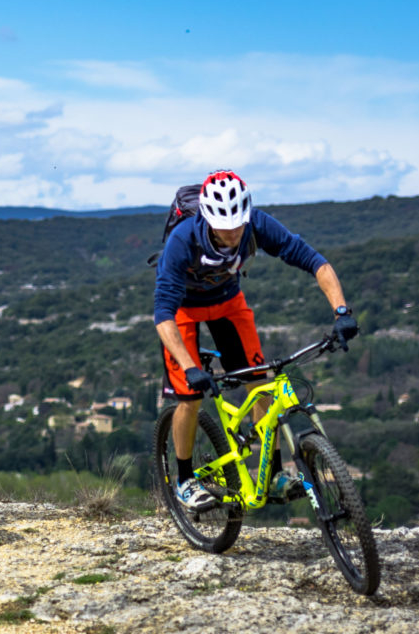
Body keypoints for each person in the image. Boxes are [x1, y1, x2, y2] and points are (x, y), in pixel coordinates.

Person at [153, 170, 358, 510]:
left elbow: (316, 263)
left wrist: (341, 311)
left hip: (228, 304)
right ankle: (185, 479)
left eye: (238, 223)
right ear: (206, 217)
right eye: (223, 224)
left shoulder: (256, 225)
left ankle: (275, 474)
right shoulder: (182, 241)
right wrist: (190, 368)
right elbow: (163, 315)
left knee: (261, 382)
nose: (232, 232)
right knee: (189, 397)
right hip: (183, 311)